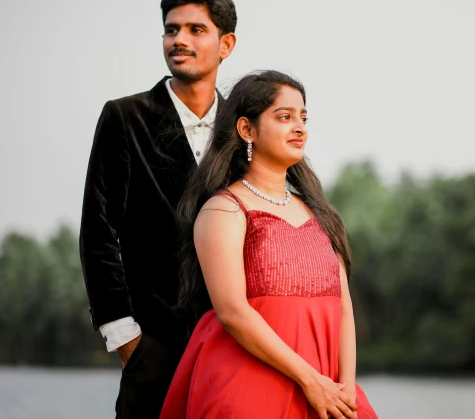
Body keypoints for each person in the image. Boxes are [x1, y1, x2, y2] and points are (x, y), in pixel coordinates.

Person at [159, 71, 379, 419]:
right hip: (250, 388)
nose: (300, 127)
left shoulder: (321, 213)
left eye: (303, 118)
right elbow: (232, 312)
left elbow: (342, 308)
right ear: (247, 130)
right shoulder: (225, 210)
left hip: (329, 390)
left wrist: (346, 387)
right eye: (284, 117)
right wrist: (309, 380)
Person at [79, 0, 237, 418]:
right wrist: (125, 338)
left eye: (194, 30)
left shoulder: (243, 130)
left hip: (233, 345)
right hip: (153, 346)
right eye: (171, 30)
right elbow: (98, 231)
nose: (179, 40)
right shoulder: (124, 117)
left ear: (226, 44)